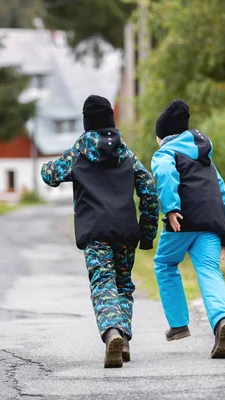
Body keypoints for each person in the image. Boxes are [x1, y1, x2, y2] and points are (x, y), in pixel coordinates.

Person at [41, 95, 159, 368]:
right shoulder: (127, 154)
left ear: (87, 123)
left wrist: (48, 166)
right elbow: (149, 188)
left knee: (102, 284)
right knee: (123, 287)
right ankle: (123, 341)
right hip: (126, 233)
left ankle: (112, 333)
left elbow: (50, 175)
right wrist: (147, 232)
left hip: (95, 234)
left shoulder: (78, 153)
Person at [151, 99, 225, 359]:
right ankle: (223, 321)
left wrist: (171, 208)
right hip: (211, 224)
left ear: (162, 136)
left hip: (182, 222)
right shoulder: (206, 158)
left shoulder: (165, 152)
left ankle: (178, 325)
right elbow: (223, 194)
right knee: (210, 271)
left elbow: (165, 174)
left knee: (165, 264)